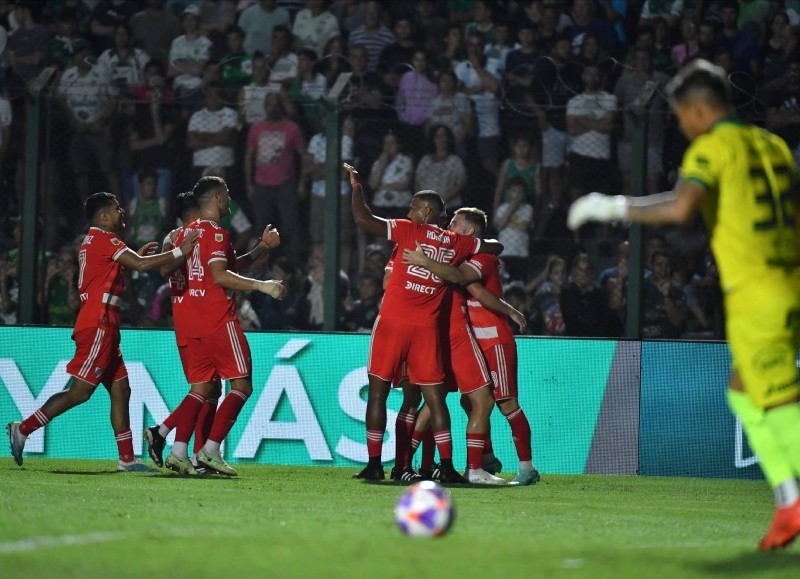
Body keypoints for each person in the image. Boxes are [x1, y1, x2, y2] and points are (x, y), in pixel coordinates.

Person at [567, 59, 800, 550]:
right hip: (788, 278)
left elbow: (679, 207)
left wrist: (611, 206)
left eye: (681, 116)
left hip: (756, 291)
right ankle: (788, 500)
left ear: (698, 109)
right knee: (741, 391)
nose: (681, 125)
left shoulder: (713, 147)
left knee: (781, 401)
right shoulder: (775, 145)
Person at [7, 191, 199, 472]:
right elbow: (143, 265)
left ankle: (126, 459)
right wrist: (181, 250)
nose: (122, 211)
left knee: (122, 389)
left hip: (106, 325)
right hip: (98, 324)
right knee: (80, 392)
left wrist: (133, 258)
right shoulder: (105, 238)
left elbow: (117, 269)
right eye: (117, 208)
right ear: (104, 216)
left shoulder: (96, 241)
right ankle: (23, 429)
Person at [345, 163, 502, 483]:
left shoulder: (408, 231)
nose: (409, 210)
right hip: (427, 332)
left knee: (379, 395)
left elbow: (363, 219)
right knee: (434, 399)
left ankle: (377, 464)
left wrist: (358, 188)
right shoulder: (455, 243)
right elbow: (493, 246)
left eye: (414, 206)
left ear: (427, 211)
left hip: (392, 323)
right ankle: (444, 466)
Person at [143, 177, 286, 476]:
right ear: (218, 198)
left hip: (186, 321)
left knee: (204, 388)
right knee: (242, 385)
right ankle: (209, 450)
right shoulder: (217, 234)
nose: (229, 201)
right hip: (217, 318)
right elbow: (221, 276)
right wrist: (264, 286)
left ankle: (177, 449)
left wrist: (261, 248)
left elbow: (220, 267)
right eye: (228, 195)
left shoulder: (180, 235)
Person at [402, 207, 541, 486]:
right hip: (466, 341)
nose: (448, 225)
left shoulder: (481, 257)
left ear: (469, 232)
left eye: (454, 222)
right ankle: (480, 459)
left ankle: (526, 468)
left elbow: (472, 287)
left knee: (505, 403)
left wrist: (512, 312)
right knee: (461, 400)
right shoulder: (459, 256)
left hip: (492, 339)